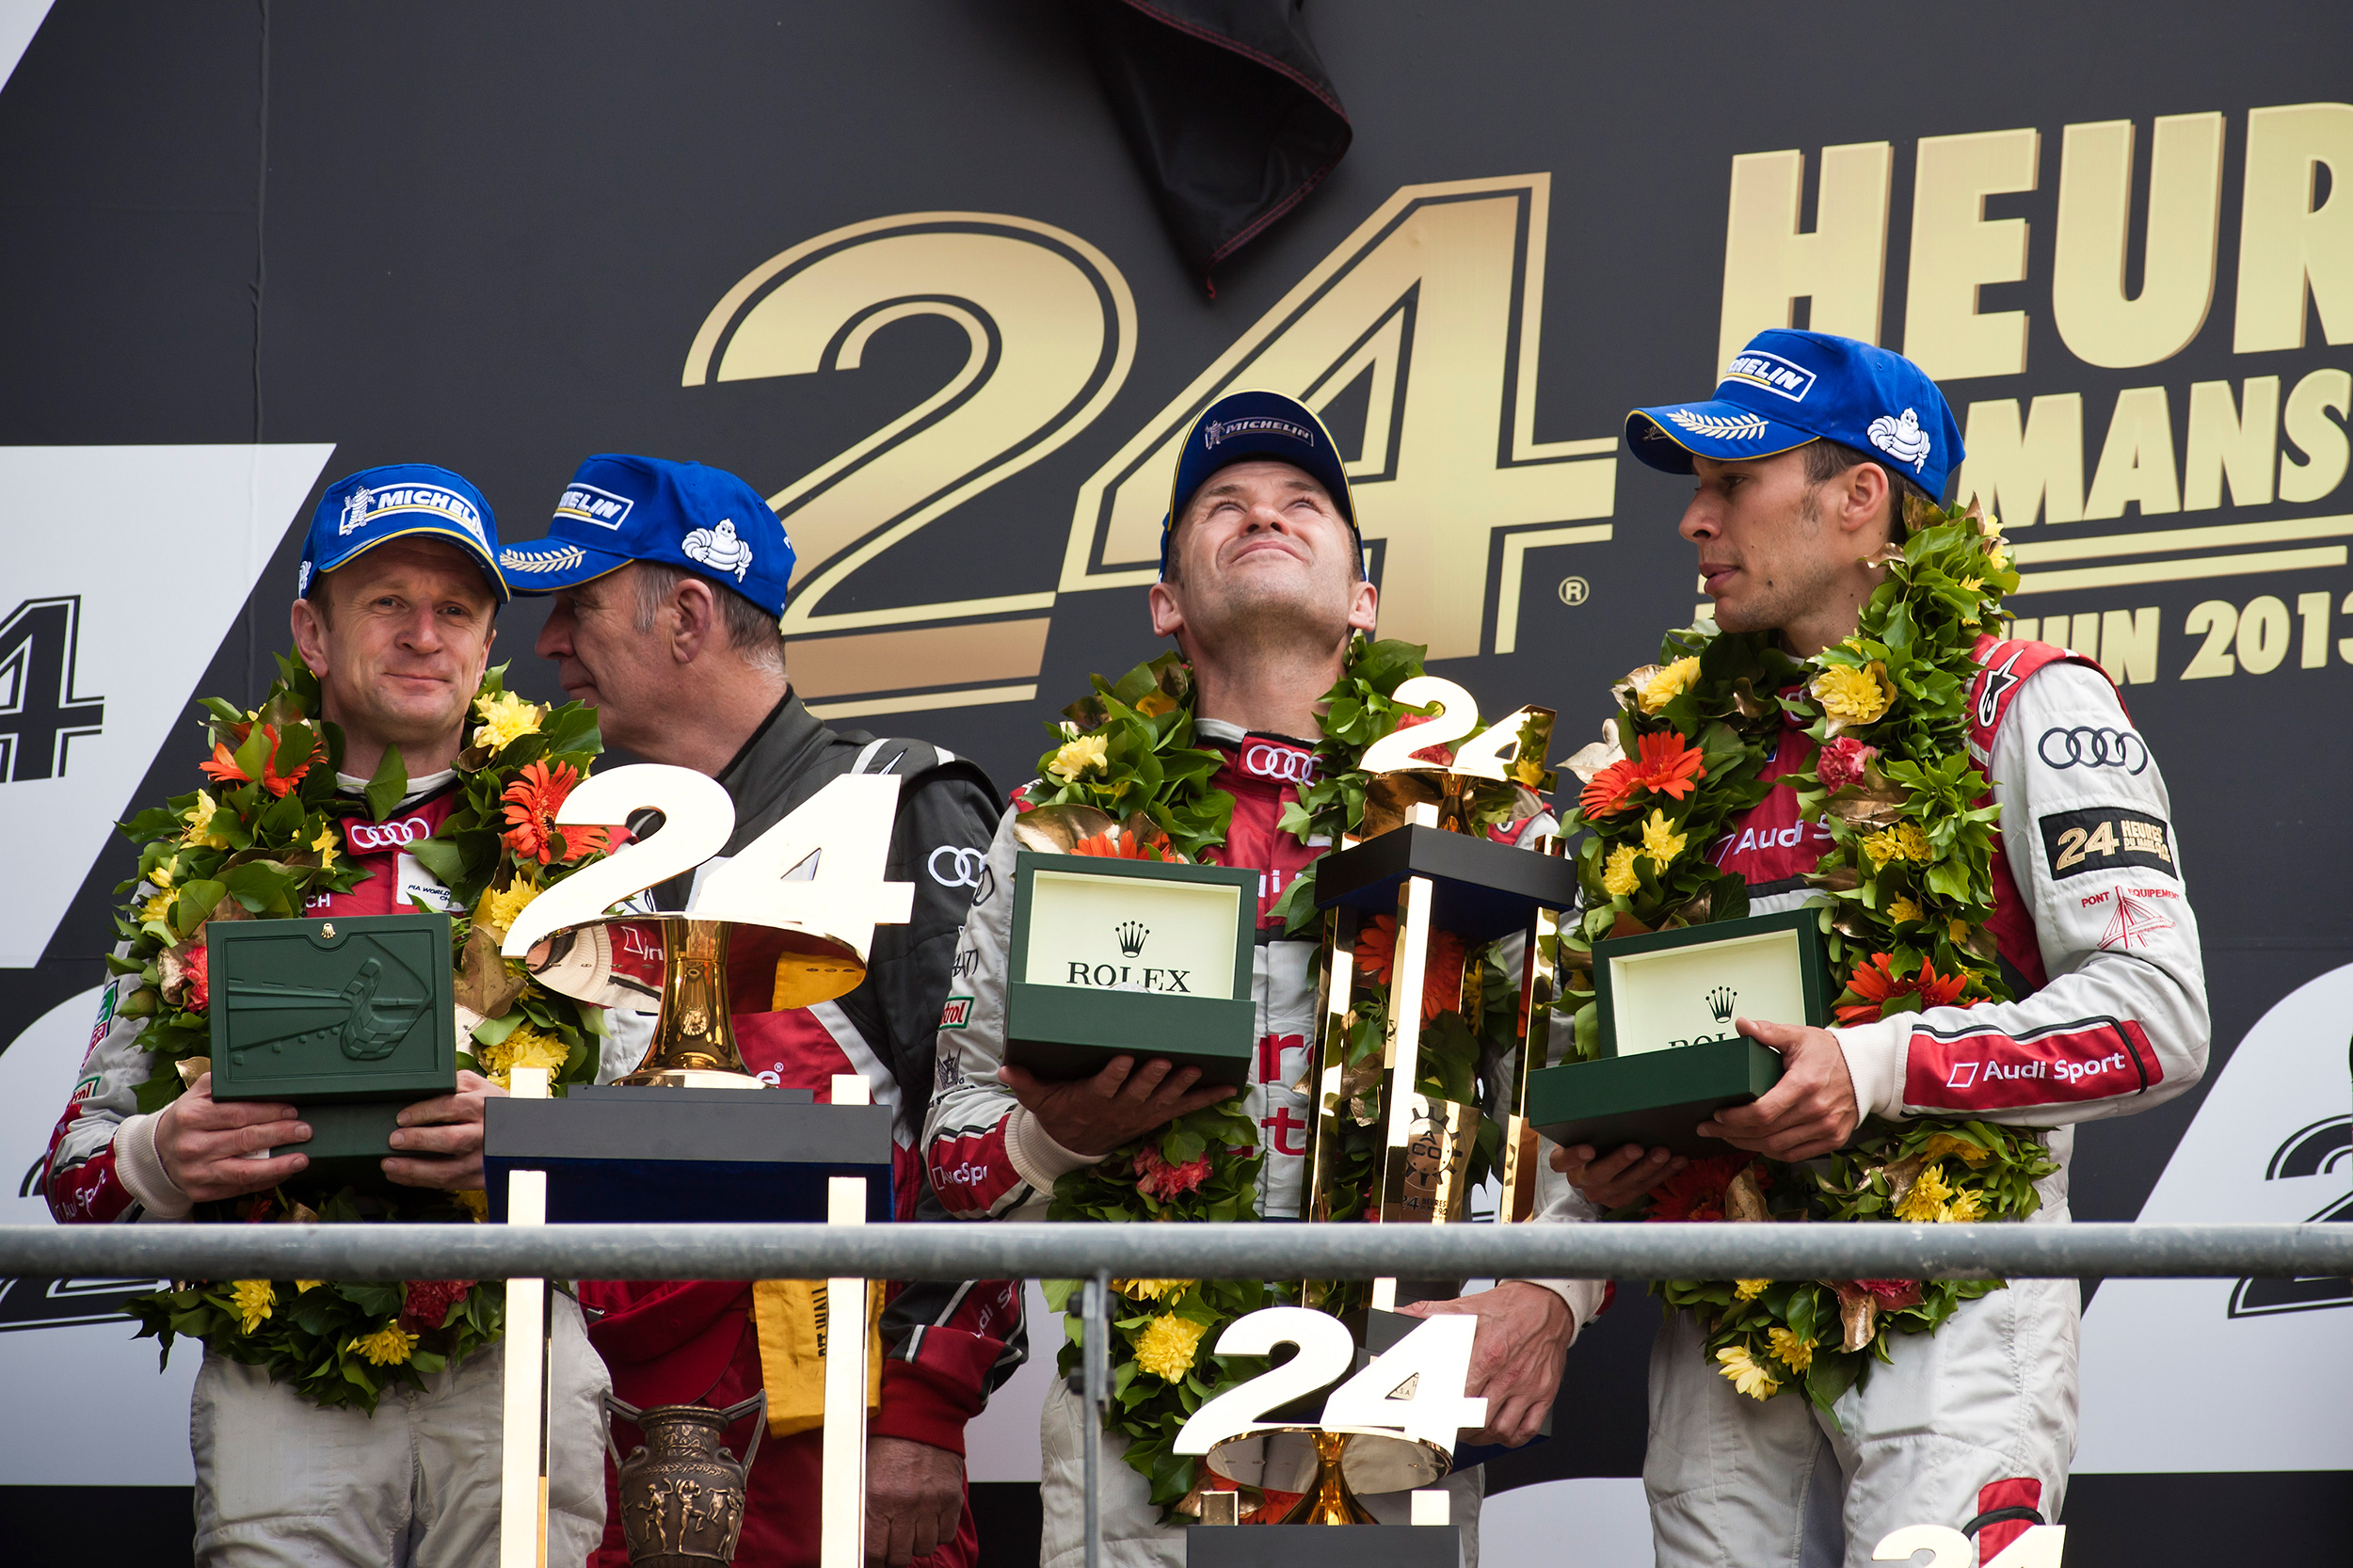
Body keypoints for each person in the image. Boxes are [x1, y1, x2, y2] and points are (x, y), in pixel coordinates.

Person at [1557, 330, 2211, 1565]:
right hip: (1723, 1329)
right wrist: (1576, 1224)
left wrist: (1870, 1067)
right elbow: (1618, 1049)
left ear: (1860, 498)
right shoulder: (1675, 758)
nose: (1694, 519)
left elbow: (2156, 1015)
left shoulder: (2024, 703)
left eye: (1732, 481)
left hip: (1952, 1300)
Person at [922, 390, 1601, 1568]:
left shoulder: (1487, 818)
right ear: (1166, 602)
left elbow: (1589, 1113)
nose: (1264, 516)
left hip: (1401, 1405)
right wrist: (1059, 1133)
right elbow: (952, 1147)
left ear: (1362, 599)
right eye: (1222, 505)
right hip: (1136, 1429)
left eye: (1302, 504)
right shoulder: (1062, 824)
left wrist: (1552, 1293)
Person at [42, 465, 620, 1564]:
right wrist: (164, 1154)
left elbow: (679, 1150)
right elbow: (75, 1177)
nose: (423, 635)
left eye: (455, 608)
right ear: (313, 633)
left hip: (513, 1355)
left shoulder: (583, 860)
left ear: (487, 645)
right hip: (281, 1374)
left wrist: (528, 1140)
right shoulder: (203, 867)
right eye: (386, 601)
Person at [500, 453, 1025, 1568]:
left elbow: (979, 1122)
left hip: (832, 1439)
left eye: (579, 606)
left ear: (688, 616)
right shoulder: (565, 843)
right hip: (599, 1433)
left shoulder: (897, 801)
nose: (547, 643)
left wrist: (925, 1406)